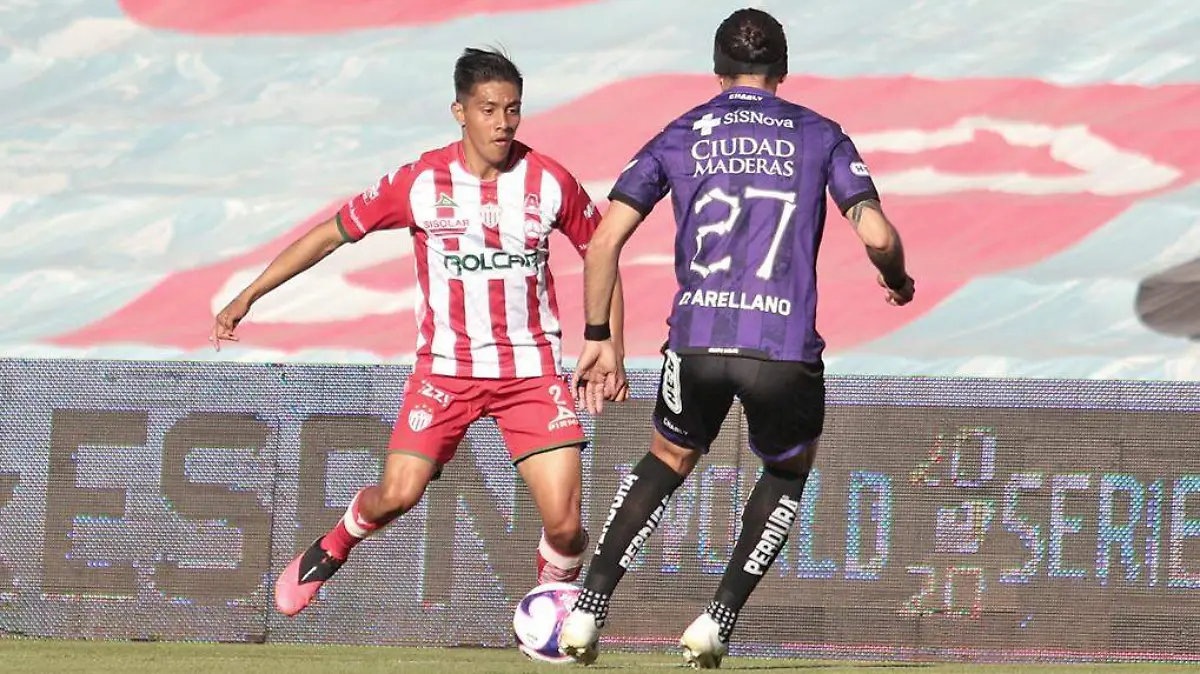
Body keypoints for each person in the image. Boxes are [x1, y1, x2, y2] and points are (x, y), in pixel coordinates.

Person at [209, 47, 627, 618]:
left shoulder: (550, 180)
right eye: (488, 109)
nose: (503, 122)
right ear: (459, 111)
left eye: (513, 109)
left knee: (567, 524)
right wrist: (248, 295)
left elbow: (602, 252)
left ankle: (546, 612)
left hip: (529, 373)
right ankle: (333, 546)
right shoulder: (420, 182)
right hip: (445, 372)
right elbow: (330, 235)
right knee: (398, 495)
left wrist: (610, 347)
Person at [559, 8, 915, 669]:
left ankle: (587, 609)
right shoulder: (820, 135)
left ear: (718, 72)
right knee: (785, 470)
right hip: (782, 350)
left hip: (695, 341)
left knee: (666, 460)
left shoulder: (682, 132)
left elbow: (604, 239)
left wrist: (599, 336)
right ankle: (717, 619)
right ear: (782, 69)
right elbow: (878, 235)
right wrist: (898, 279)